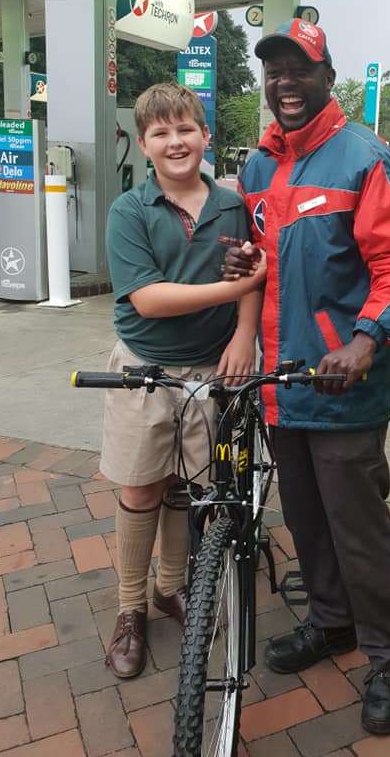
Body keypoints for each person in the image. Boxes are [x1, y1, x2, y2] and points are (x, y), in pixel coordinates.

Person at [223, 19, 390, 735]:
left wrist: (365, 340)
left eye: (299, 70)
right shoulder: (259, 166)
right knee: (306, 519)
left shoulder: (362, 158)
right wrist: (241, 267)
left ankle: (388, 651)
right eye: (273, 72)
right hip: (281, 385)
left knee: (358, 526)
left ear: (327, 78)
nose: (284, 83)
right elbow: (263, 257)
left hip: (343, 386)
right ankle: (330, 620)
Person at [100, 82, 265, 679]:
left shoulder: (230, 205)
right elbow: (147, 299)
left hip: (211, 370)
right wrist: (237, 289)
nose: (176, 142)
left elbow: (254, 272)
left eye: (185, 129)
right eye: (161, 133)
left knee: (186, 488)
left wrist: (244, 332)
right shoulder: (129, 211)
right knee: (142, 487)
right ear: (144, 144)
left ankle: (171, 588)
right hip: (145, 368)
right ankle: (129, 609)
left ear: (205, 135)